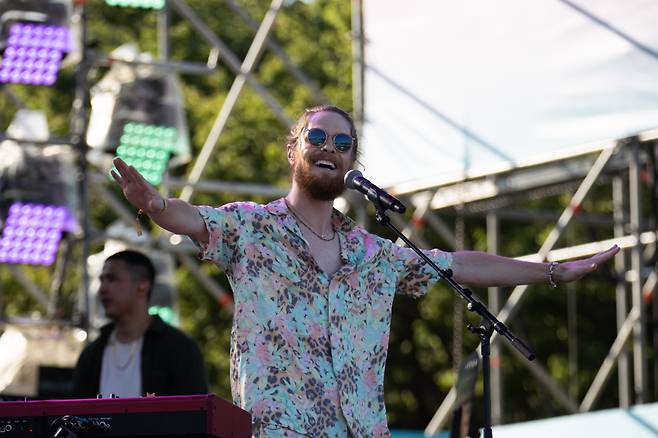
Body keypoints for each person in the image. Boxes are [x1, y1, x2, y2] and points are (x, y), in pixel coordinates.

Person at [110, 105, 619, 437]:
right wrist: (155, 203)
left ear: (353, 158)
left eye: (343, 141)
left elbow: (459, 264)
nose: (329, 146)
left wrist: (552, 271)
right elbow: (193, 219)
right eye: (317, 136)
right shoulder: (252, 228)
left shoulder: (374, 253)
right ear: (295, 151)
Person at [71, 250, 208, 398]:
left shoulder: (180, 348)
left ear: (142, 285)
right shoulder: (92, 354)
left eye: (112, 279)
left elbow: (194, 415)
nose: (102, 289)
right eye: (102, 280)